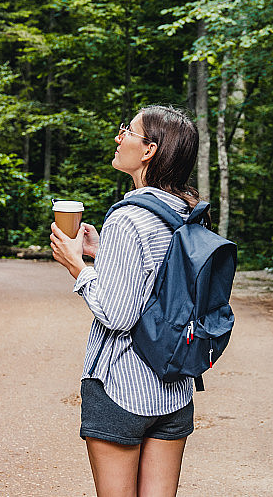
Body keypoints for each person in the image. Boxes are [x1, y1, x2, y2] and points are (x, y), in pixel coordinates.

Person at [50, 105, 202, 496]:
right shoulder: (186, 211)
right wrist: (104, 254)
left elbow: (117, 315)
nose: (119, 137)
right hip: (174, 388)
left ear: (149, 150)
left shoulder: (127, 216)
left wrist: (77, 267)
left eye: (127, 131)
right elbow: (161, 283)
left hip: (121, 387)